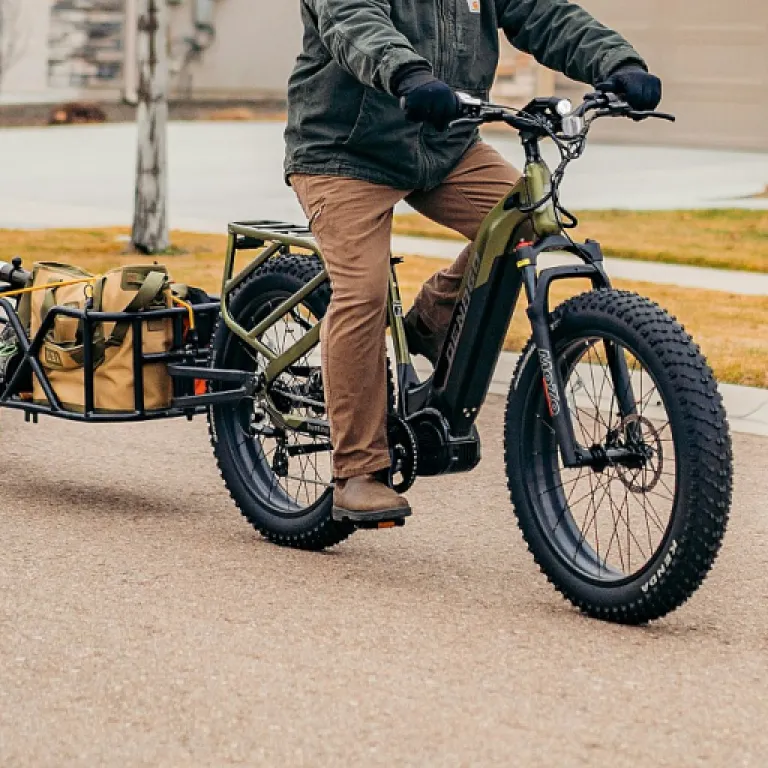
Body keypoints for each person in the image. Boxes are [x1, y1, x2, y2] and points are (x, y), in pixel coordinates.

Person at [284, 0, 662, 523]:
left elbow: (543, 14)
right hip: (344, 150)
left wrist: (618, 63)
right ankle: (358, 471)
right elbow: (353, 20)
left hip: (446, 145)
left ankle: (432, 319)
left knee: (528, 220)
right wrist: (407, 73)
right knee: (364, 292)